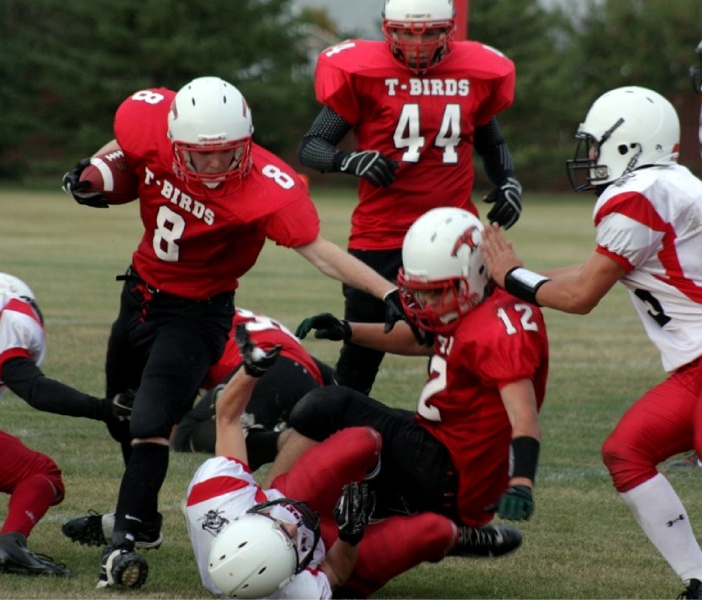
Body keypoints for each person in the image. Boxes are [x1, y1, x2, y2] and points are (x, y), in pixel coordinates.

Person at [59, 75, 405, 589]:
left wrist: (388, 292)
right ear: (177, 144)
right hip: (138, 294)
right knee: (122, 412)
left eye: (229, 152)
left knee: (152, 420)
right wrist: (92, 167)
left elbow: (321, 252)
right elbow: (127, 147)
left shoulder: (269, 186)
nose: (218, 164)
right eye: (204, 155)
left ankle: (125, 542)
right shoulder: (148, 121)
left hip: (198, 314)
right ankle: (146, 520)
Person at [480, 85, 702, 599]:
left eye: (597, 144)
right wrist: (508, 281)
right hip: (693, 368)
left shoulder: (639, 196)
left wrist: (513, 278)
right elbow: (595, 270)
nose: (591, 157)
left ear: (630, 146)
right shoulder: (668, 184)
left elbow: (581, 295)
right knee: (627, 451)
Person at [184, 323, 522, 599]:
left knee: (362, 440)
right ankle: (456, 538)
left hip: (280, 499)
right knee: (432, 532)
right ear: (289, 575)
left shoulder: (215, 498)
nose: (292, 526)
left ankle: (377, 495)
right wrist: (350, 536)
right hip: (332, 550)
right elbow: (335, 571)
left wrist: (251, 369)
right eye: (289, 540)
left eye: (276, 527)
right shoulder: (296, 592)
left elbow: (227, 418)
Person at [265, 207, 548, 535]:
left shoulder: (500, 328)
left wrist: (522, 482)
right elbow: (423, 340)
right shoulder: (474, 302)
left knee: (328, 406)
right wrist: (348, 329)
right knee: (346, 476)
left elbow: (524, 415)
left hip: (452, 469)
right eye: (420, 291)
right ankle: (437, 534)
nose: (425, 303)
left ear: (477, 274)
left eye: (435, 292)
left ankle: (268, 507)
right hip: (440, 451)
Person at [296, 0, 522, 394]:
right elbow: (312, 146)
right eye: (405, 32)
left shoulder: (475, 74)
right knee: (359, 361)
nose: (418, 43)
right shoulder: (364, 73)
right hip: (381, 234)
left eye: (431, 32)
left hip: (456, 238)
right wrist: (350, 161)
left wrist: (508, 181)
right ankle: (332, 441)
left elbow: (493, 140)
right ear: (387, 29)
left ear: (449, 30)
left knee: (468, 349)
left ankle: (460, 438)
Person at [0, 272, 134, 577]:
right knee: (41, 473)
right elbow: (33, 388)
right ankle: (10, 543)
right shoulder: (4, 311)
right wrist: (104, 409)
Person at [171, 306, 334, 469]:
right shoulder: (228, 312)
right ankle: (299, 437)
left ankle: (286, 441)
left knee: (185, 434)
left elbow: (175, 399)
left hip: (261, 369)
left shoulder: (185, 321)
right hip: (305, 375)